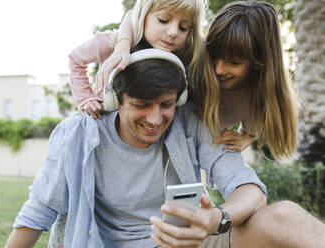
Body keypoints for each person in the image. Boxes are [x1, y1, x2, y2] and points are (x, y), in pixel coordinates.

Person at [5, 50, 325, 248]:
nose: (156, 119)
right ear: (117, 101)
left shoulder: (189, 123)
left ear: (179, 100)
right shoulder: (78, 134)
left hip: (184, 243)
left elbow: (248, 187)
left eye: (166, 105)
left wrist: (218, 218)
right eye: (142, 105)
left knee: (285, 216)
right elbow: (40, 210)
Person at [100, 1, 300, 158]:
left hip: (197, 150)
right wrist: (123, 45)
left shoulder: (260, 94)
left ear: (259, 64)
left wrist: (247, 136)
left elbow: (260, 117)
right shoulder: (198, 54)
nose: (218, 70)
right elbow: (135, 14)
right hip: (157, 139)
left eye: (234, 62)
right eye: (214, 55)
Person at [69, 0, 205, 119]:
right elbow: (76, 58)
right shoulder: (111, 43)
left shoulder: (183, 51)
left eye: (183, 28)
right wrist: (85, 98)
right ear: (143, 15)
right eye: (163, 20)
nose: (173, 32)